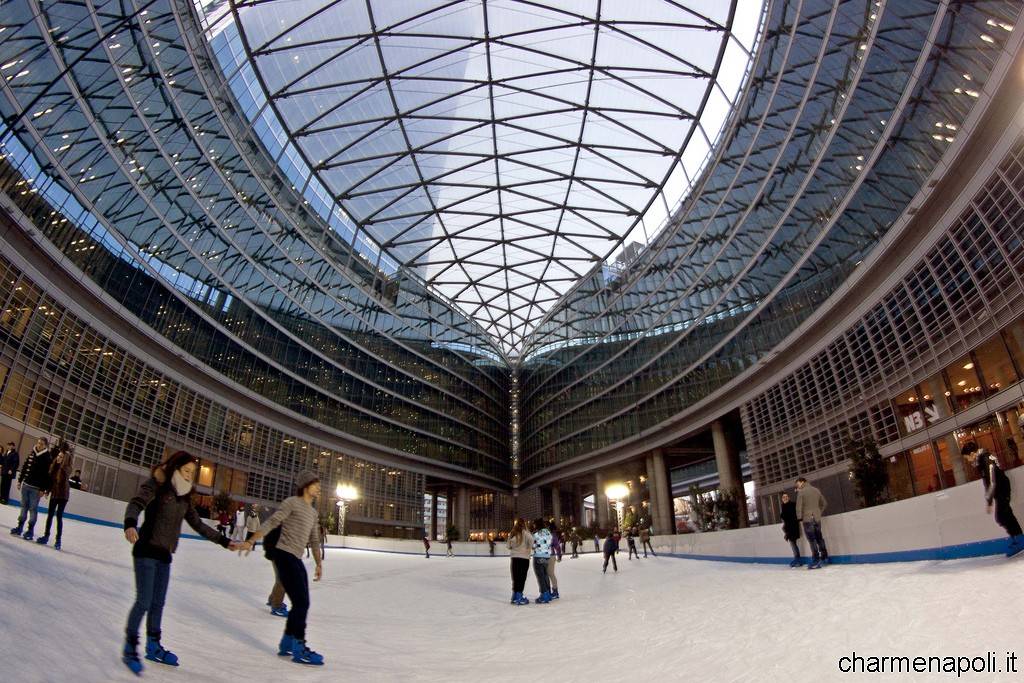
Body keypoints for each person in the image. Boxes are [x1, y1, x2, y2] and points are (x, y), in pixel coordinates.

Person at [121, 451, 240, 675]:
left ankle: (153, 646)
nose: (189, 476)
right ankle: (130, 648)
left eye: (192, 473)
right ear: (175, 468)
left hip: (165, 556)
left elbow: (198, 525)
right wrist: (130, 523)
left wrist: (224, 541)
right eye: (186, 471)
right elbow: (137, 502)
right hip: (146, 550)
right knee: (144, 602)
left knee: (158, 603)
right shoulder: (158, 483)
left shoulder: (185, 496)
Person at [240, 471, 325, 666]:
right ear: (305, 486)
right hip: (284, 555)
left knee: (302, 602)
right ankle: (299, 647)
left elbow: (314, 539)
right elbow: (272, 522)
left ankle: (287, 643)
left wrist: (319, 563)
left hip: (296, 558)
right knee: (301, 603)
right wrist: (251, 540)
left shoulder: (312, 512)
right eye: (316, 484)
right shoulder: (292, 503)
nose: (319, 488)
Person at [963, 442, 1023, 557]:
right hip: (998, 489)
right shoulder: (981, 460)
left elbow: (991, 480)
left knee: (1003, 515)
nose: (968, 460)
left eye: (967, 457)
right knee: (1003, 515)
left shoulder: (985, 458)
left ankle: (1019, 540)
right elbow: (987, 481)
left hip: (1001, 488)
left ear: (972, 453)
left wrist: (989, 501)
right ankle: (1016, 538)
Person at [10, 437, 53, 541]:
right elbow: (25, 467)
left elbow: (47, 476)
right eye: (38, 443)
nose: (39, 445)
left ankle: (30, 530)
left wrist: (43, 489)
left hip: (36, 488)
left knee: (33, 509)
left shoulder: (47, 457)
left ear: (45, 446)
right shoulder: (32, 452)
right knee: (23, 506)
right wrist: (20, 480)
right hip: (26, 485)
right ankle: (20, 527)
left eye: (42, 444)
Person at [37, 441, 73, 549]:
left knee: (59, 516)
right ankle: (46, 535)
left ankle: (58, 540)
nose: (58, 457)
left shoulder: (67, 468)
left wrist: (63, 462)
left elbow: (64, 476)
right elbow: (51, 479)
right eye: (58, 455)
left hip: (63, 495)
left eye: (61, 456)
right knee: (50, 515)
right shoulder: (55, 465)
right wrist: (47, 490)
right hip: (54, 493)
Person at [795, 477, 829, 569]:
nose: (797, 485)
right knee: (819, 538)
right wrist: (818, 512)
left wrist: (799, 518)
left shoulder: (801, 492)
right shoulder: (816, 490)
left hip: (807, 519)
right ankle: (825, 557)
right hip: (817, 518)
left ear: (802, 482)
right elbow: (824, 503)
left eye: (797, 483)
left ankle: (816, 560)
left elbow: (798, 507)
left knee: (812, 540)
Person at [507, 518, 533, 605]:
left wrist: (514, 548)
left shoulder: (512, 533)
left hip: (514, 558)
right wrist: (528, 548)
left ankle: (514, 596)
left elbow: (508, 545)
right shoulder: (526, 533)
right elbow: (532, 541)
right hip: (524, 558)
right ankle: (519, 597)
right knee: (522, 578)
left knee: (516, 578)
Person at [532, 518, 553, 603]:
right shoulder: (548, 533)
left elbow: (533, 545)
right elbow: (549, 543)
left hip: (538, 556)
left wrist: (535, 546)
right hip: (547, 556)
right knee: (545, 575)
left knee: (540, 576)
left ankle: (544, 595)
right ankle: (548, 593)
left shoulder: (536, 534)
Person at [780, 492, 802, 567]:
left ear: (788, 498)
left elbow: (789, 516)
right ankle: (797, 559)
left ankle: (797, 559)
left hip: (793, 527)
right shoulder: (783, 506)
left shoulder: (792, 505)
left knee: (793, 544)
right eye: (783, 497)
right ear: (782, 499)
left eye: (786, 497)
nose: (785, 498)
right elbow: (785, 518)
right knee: (793, 544)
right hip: (789, 527)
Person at [548, 522, 561, 600]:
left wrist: (559, 555)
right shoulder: (551, 535)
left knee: (551, 574)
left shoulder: (553, 536)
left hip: (551, 556)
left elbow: (557, 546)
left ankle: (555, 591)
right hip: (547, 556)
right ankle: (549, 591)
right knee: (549, 574)